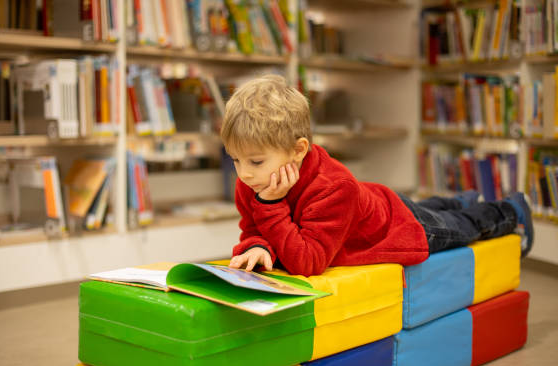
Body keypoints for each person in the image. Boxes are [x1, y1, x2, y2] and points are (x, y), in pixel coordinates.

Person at [222, 74, 533, 277]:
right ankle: (458, 200)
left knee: (464, 227)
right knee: (431, 207)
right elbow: (253, 228)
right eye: (235, 160)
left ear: (298, 150)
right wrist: (257, 246)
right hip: (371, 201)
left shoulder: (333, 188)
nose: (244, 174)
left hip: (394, 226)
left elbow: (309, 262)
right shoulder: (253, 181)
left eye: (256, 161)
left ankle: (510, 210)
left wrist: (272, 206)